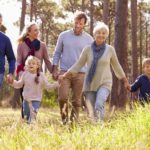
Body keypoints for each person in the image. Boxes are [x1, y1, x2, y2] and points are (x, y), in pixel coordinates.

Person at [59, 22, 130, 124]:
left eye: (104, 33)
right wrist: (65, 75)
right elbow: (78, 65)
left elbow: (117, 66)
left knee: (99, 103)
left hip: (104, 83)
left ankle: (100, 127)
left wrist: (125, 80)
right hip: (90, 84)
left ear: (106, 35)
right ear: (94, 34)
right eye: (98, 33)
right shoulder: (87, 49)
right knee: (92, 111)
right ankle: (95, 127)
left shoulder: (110, 50)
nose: (101, 35)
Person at [52, 11, 93, 124]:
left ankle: (73, 123)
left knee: (76, 101)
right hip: (64, 72)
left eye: (80, 23)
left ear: (84, 24)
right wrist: (54, 69)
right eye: (76, 22)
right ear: (73, 21)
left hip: (80, 73)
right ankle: (64, 120)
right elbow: (57, 53)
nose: (78, 25)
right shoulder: (63, 35)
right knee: (62, 98)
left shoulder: (89, 39)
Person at [13, 22, 53, 117]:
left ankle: (32, 121)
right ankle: (26, 120)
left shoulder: (42, 45)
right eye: (35, 30)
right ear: (28, 32)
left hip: (37, 77)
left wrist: (54, 72)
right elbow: (18, 61)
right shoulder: (21, 45)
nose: (37, 32)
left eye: (38, 30)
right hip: (25, 76)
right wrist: (20, 74)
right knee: (25, 101)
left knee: (35, 100)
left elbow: (47, 61)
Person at [10, 56, 59, 124]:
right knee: (26, 118)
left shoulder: (41, 76)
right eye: (29, 63)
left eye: (33, 63)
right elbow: (19, 84)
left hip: (36, 100)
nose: (31, 65)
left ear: (38, 65)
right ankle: (28, 132)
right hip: (26, 100)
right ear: (27, 65)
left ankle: (32, 128)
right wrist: (12, 82)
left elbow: (48, 86)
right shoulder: (25, 74)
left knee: (32, 117)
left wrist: (57, 84)